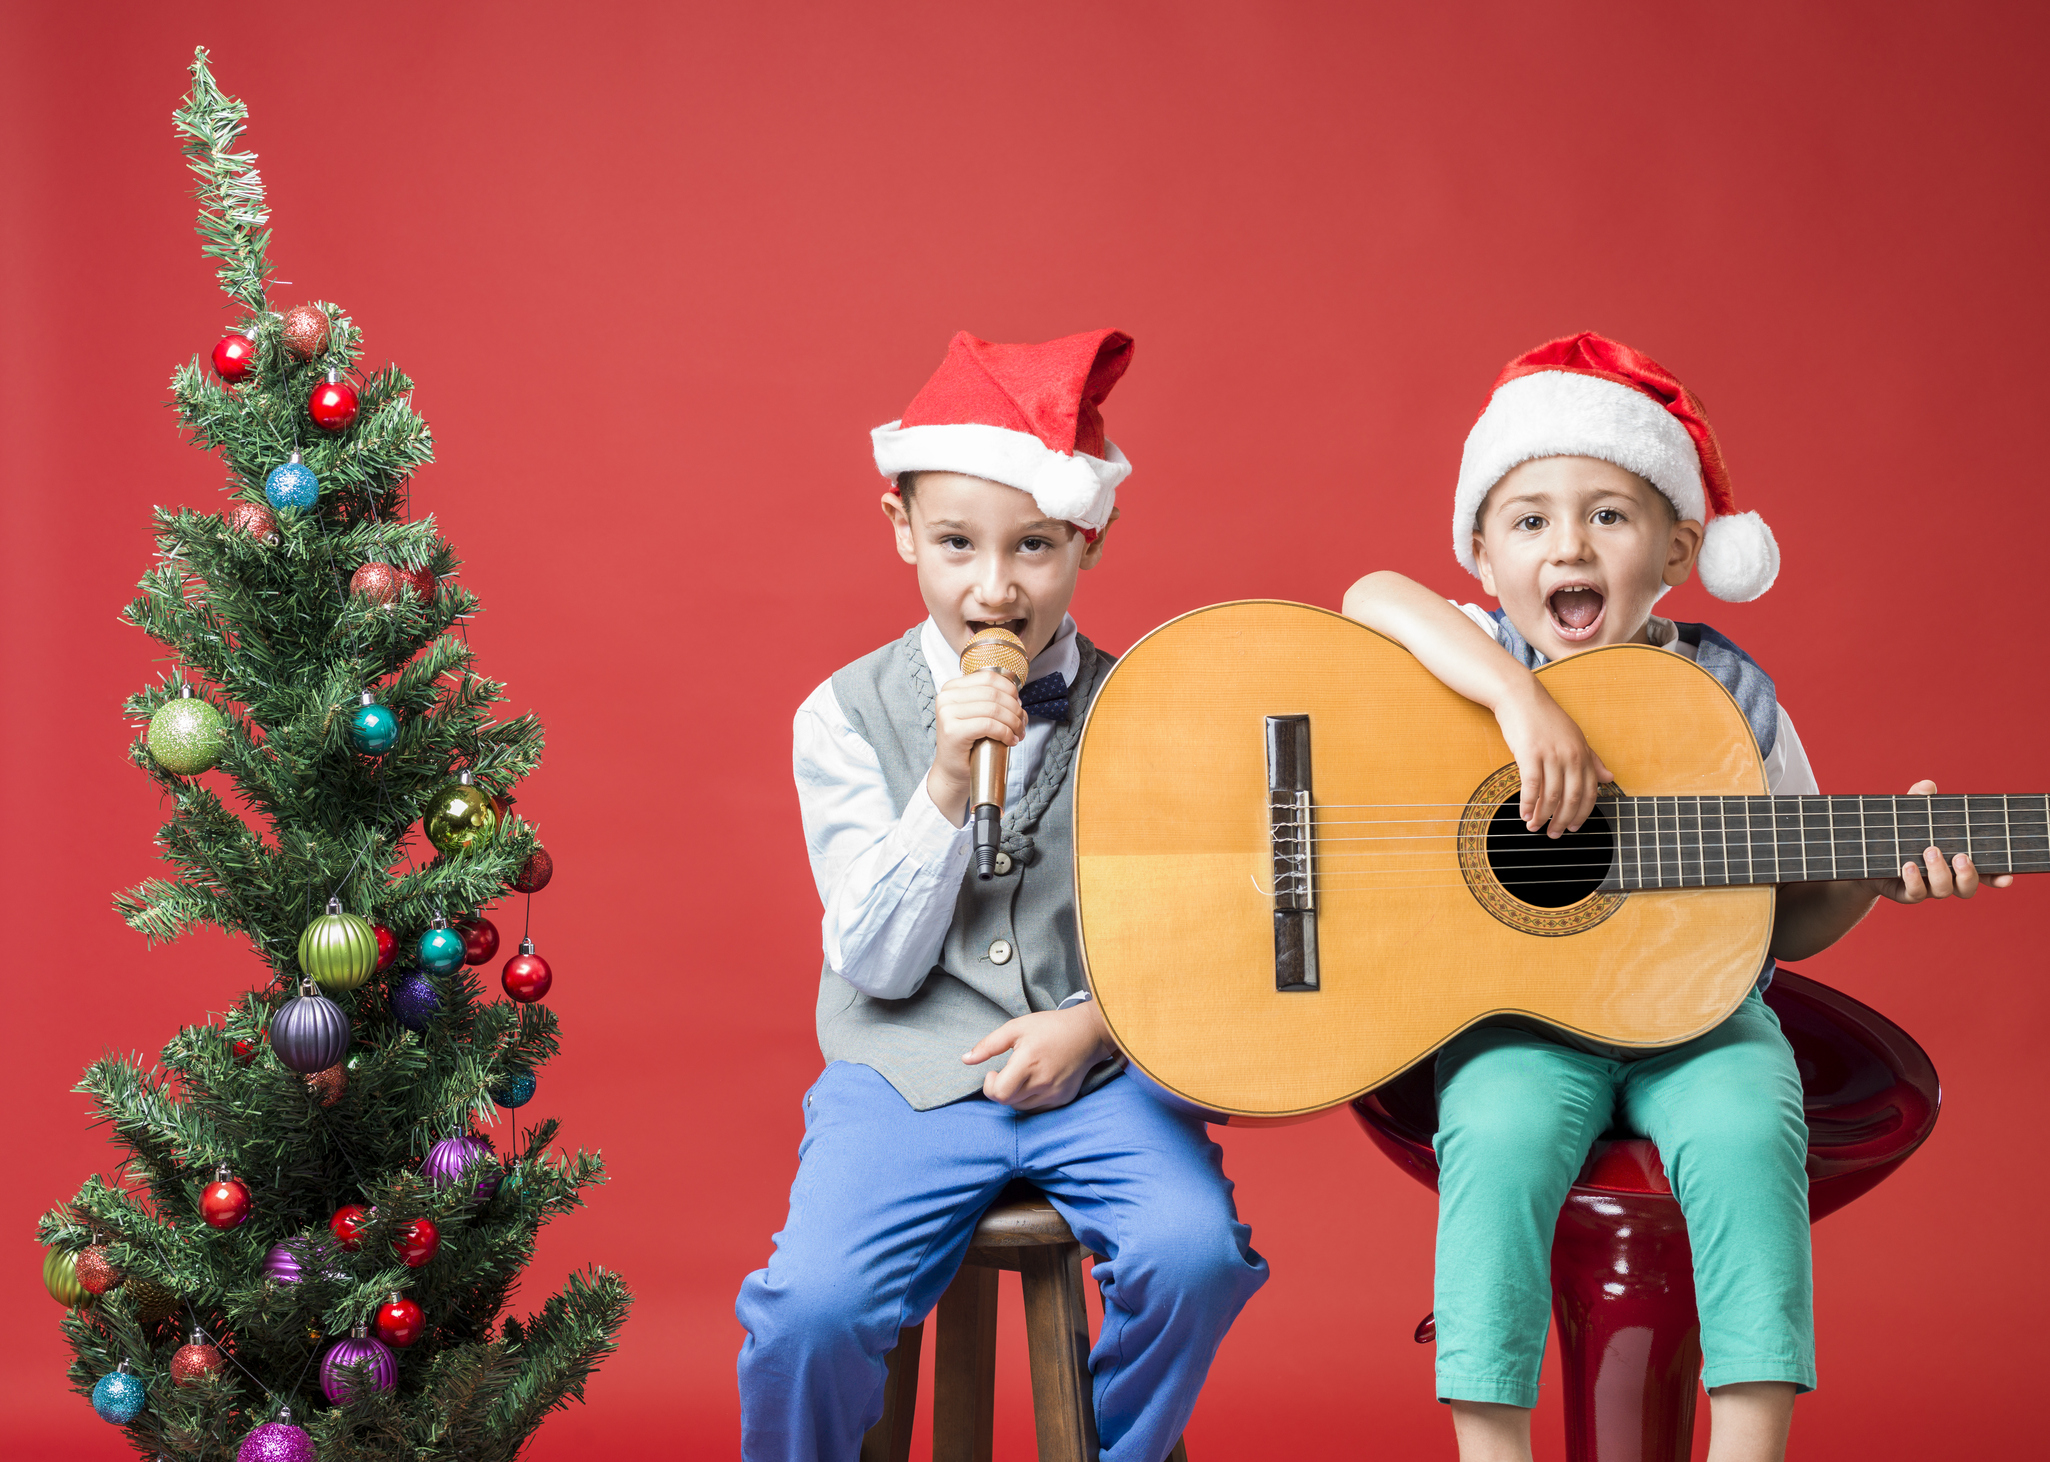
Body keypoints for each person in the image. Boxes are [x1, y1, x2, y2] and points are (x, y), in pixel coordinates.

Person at [1341, 332, 2008, 1462]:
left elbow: (1784, 915)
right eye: (1530, 518)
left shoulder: (1730, 696)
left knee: (1755, 1124)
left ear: (1678, 547)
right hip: (1523, 1018)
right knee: (1493, 1135)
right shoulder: (1471, 653)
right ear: (1482, 550)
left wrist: (1872, 877)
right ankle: (1490, 1446)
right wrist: (1520, 701)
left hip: (1699, 1017)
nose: (1569, 545)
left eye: (1609, 515)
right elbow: (1368, 595)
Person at [736, 329, 1267, 1462]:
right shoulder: (840, 716)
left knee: (1195, 1255)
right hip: (907, 1075)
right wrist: (938, 784)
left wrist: (1097, 1024)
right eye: (957, 545)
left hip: (1099, 1069)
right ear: (901, 534)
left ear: (1087, 537)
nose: (994, 587)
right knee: (810, 1311)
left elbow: (1201, 930)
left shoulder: (1149, 707)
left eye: (1033, 547)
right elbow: (873, 965)